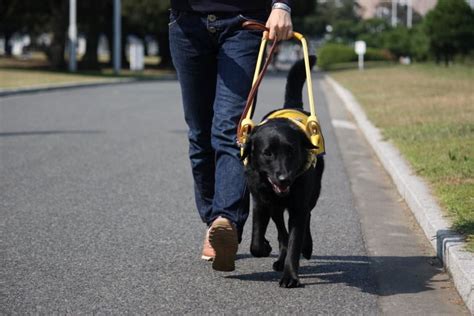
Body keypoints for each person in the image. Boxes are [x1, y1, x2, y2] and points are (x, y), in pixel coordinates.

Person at [169, 0, 293, 272]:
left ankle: (226, 220)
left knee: (230, 129)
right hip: (186, 23)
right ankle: (214, 221)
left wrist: (282, 5)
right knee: (200, 133)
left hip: (244, 22)